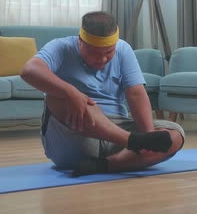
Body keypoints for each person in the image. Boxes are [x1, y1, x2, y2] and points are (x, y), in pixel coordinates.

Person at [20, 11, 185, 177]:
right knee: (55, 97)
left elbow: (136, 93)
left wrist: (149, 139)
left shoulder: (123, 49)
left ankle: (108, 164)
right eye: (95, 53)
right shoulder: (61, 47)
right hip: (76, 135)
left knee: (175, 134)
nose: (103, 59)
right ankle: (132, 142)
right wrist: (71, 92)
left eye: (108, 52)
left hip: (118, 132)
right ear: (80, 42)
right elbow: (29, 71)